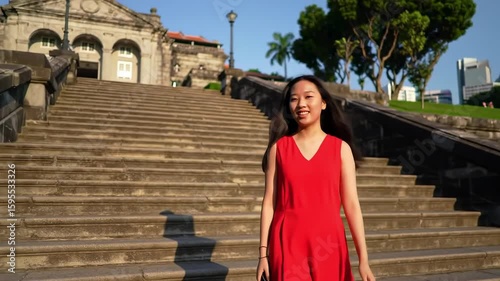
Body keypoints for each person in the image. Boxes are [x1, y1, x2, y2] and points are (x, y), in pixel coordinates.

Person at [256, 75, 376, 281]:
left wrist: (363, 259)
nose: (301, 104)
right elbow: (269, 203)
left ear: (323, 103)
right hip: (287, 242)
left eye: (308, 96)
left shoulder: (340, 149)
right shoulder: (279, 148)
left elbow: (352, 205)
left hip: (329, 245)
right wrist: (262, 254)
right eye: (293, 99)